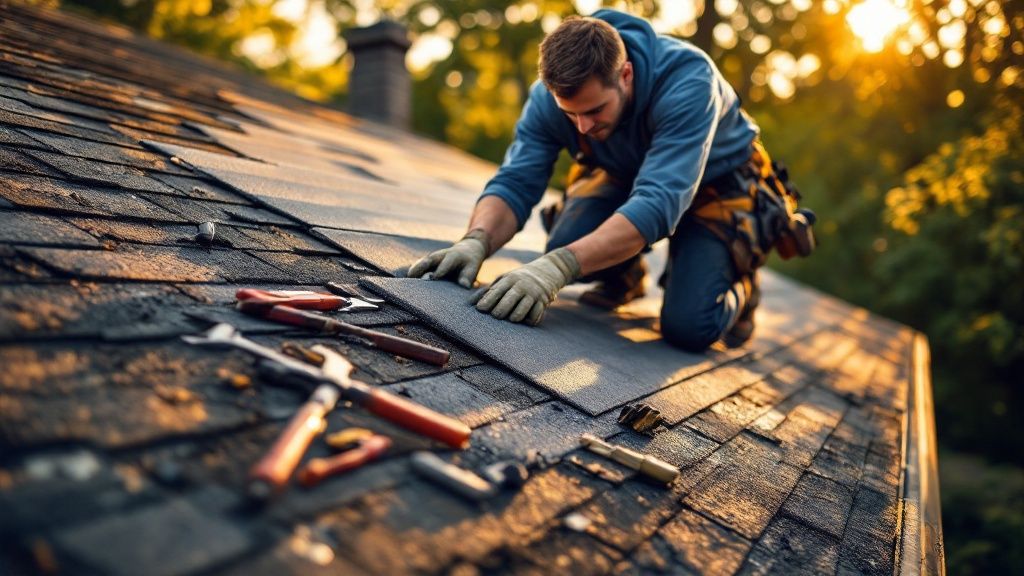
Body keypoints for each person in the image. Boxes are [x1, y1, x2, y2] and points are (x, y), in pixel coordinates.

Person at [408, 9, 813, 352]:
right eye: (571, 115)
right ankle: (623, 274)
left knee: (689, 327)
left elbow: (656, 203)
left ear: (626, 74)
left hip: (719, 187)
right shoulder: (552, 100)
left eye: (595, 111)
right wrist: (476, 239)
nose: (582, 127)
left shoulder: (689, 82)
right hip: (625, 172)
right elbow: (517, 179)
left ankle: (740, 289)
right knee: (566, 245)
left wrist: (556, 269)